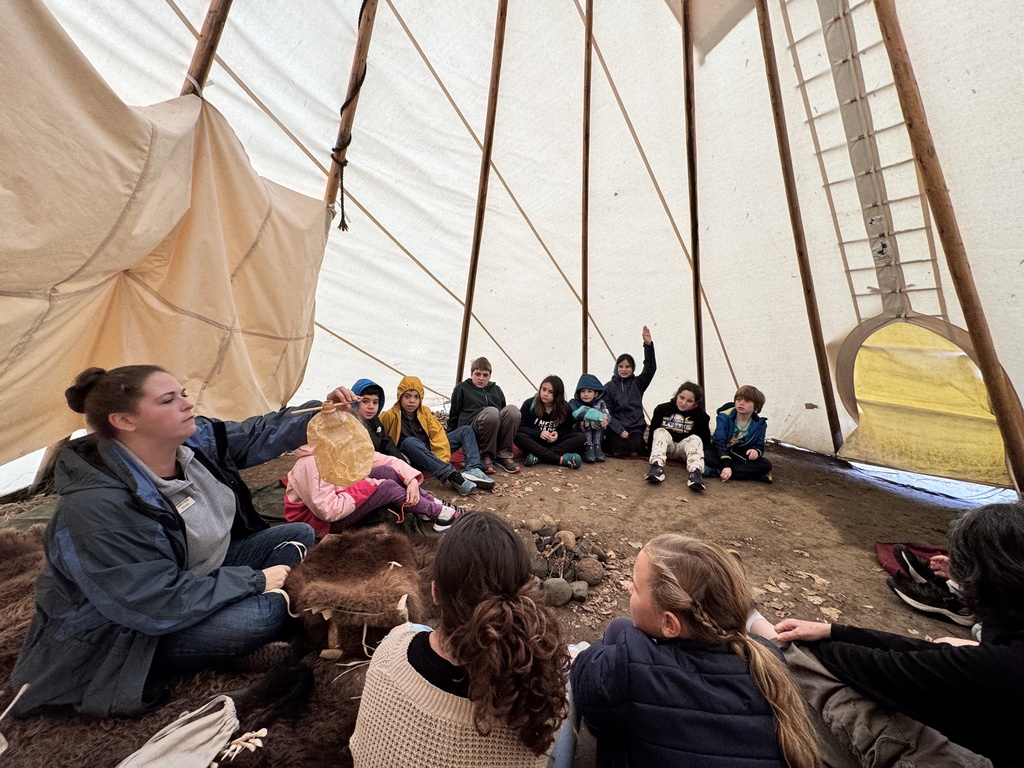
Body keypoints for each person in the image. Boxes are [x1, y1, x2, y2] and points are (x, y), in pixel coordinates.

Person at [9, 365, 353, 717]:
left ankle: (245, 618)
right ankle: (245, 627)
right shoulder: (97, 507)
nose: (187, 404)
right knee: (262, 616)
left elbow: (251, 434)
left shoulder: (188, 444)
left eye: (183, 394)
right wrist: (254, 581)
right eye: (168, 399)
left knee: (297, 534)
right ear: (125, 421)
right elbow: (153, 601)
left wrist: (315, 413)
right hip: (126, 629)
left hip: (193, 573)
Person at [771, 502, 1024, 767]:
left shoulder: (1000, 668)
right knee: (943, 646)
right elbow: (938, 659)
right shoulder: (1007, 649)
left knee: (850, 701)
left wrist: (804, 647)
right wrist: (833, 631)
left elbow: (886, 668)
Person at [571, 534, 819, 767]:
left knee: (616, 639)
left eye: (635, 587)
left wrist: (620, 651)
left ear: (669, 624)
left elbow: (581, 675)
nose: (628, 588)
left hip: (625, 686)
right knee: (621, 629)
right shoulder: (765, 656)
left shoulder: (633, 668)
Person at [349, 512, 569, 767]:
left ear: (435, 593)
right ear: (525, 595)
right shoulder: (536, 700)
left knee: (411, 630)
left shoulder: (388, 654)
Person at [284, 445, 466, 535]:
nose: (371, 406)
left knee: (387, 471)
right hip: (320, 523)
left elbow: (384, 460)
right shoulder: (310, 463)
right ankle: (438, 512)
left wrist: (411, 480)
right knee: (387, 487)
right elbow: (328, 511)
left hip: (343, 497)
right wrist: (369, 486)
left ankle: (432, 506)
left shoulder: (336, 447)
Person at [378, 375, 494, 494]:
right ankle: (451, 475)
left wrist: (441, 456)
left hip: (429, 449)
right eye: (407, 396)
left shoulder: (425, 412)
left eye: (416, 397)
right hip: (410, 453)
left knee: (466, 430)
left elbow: (438, 435)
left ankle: (473, 469)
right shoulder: (389, 416)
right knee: (409, 442)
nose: (412, 401)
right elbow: (379, 438)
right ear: (400, 397)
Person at [448, 356, 522, 474]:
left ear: (489, 376)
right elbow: (454, 414)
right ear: (472, 374)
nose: (481, 378)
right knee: (492, 412)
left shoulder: (496, 390)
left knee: (513, 411)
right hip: (473, 428)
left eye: (485, 375)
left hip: (494, 427)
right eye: (477, 374)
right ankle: (485, 455)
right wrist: (451, 435)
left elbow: (504, 414)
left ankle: (503, 455)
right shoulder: (462, 388)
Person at [645, 380, 711, 490]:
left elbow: (705, 440)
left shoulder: (701, 416)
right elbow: (652, 431)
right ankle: (657, 466)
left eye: (689, 401)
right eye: (682, 398)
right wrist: (649, 449)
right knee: (660, 431)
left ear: (696, 403)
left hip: (685, 452)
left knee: (695, 438)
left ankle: (695, 472)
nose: (684, 403)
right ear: (677, 395)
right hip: (666, 448)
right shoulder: (662, 409)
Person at [603, 325, 656, 457]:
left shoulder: (638, 383)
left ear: (632, 368)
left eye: (628, 366)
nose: (624, 369)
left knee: (635, 448)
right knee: (617, 448)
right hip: (616, 426)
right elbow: (606, 411)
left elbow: (650, 369)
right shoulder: (609, 386)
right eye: (621, 366)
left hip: (635, 427)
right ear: (616, 368)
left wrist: (648, 345)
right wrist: (618, 429)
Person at [514, 375, 587, 469]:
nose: (545, 394)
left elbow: (568, 428)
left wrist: (558, 434)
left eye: (550, 392)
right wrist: (538, 433)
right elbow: (521, 427)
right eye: (543, 389)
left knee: (581, 437)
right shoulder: (530, 404)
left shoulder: (564, 407)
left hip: (554, 442)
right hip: (535, 442)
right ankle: (560, 459)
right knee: (518, 436)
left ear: (557, 394)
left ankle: (538, 457)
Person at [707, 384, 773, 483]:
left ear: (756, 405)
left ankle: (717, 472)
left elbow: (759, 444)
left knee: (766, 464)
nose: (741, 403)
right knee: (705, 455)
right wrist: (726, 464)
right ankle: (752, 474)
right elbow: (718, 442)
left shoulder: (760, 424)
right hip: (721, 452)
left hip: (740, 455)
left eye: (747, 401)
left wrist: (756, 451)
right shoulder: (724, 417)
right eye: (738, 399)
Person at [350, 378, 404, 459]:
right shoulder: (348, 425)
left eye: (375, 402)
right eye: (365, 401)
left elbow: (387, 444)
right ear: (354, 401)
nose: (371, 407)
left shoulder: (375, 422)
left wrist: (404, 464)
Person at [567, 374, 609, 463]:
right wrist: (598, 416)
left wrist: (604, 418)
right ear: (579, 393)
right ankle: (588, 447)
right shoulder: (573, 402)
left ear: (596, 393)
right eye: (583, 391)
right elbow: (577, 413)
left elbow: (607, 416)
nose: (586, 394)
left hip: (598, 436)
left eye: (590, 391)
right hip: (579, 436)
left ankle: (597, 446)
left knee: (597, 422)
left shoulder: (600, 403)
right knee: (587, 419)